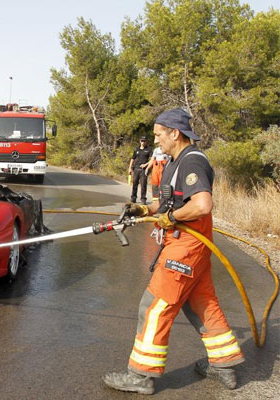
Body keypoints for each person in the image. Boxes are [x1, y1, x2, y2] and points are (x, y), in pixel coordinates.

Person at [102, 108, 244, 395]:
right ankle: (224, 364)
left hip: (185, 249)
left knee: (155, 307)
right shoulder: (173, 163)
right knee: (202, 304)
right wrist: (143, 209)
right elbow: (165, 204)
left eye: (158, 135)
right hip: (193, 249)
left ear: (174, 133)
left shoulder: (192, 162)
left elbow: (202, 205)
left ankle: (140, 376)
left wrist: (174, 217)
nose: (156, 141)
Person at [128, 137, 152, 204]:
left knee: (143, 184)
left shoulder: (149, 149)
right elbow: (132, 158)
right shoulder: (136, 149)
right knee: (135, 183)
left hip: (143, 170)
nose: (143, 142)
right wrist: (130, 168)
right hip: (136, 168)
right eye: (142, 141)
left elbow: (151, 159)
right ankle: (133, 198)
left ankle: (143, 199)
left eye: (144, 141)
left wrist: (146, 165)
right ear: (140, 141)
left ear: (146, 142)